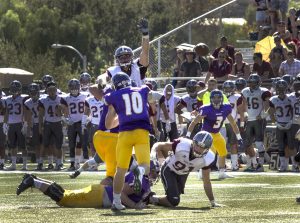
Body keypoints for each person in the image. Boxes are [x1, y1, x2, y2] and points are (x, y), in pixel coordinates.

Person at [16, 160, 160, 209]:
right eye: (154, 172)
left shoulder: (142, 179)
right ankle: (33, 182)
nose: (155, 175)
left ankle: (34, 179)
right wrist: (134, 206)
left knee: (65, 194)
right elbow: (121, 193)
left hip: (100, 193)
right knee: (64, 199)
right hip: (101, 196)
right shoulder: (141, 181)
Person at [105, 72, 154, 210]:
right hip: (142, 132)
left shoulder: (113, 96)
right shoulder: (142, 89)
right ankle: (139, 170)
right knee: (146, 166)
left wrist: (118, 114)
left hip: (125, 134)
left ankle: (116, 202)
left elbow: (108, 125)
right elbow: (152, 100)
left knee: (120, 170)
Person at [149, 131, 222, 208]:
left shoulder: (208, 158)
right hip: (169, 169)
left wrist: (212, 201)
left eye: (202, 147)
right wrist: (153, 154)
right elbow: (159, 145)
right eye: (197, 145)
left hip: (183, 174)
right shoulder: (182, 144)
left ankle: (152, 198)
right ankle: (149, 199)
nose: (198, 149)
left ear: (207, 149)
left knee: (172, 199)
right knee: (174, 200)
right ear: (193, 142)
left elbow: (206, 181)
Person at [186, 90, 243, 179]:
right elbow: (194, 122)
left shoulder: (226, 108)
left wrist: (239, 137)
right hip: (206, 134)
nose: (216, 100)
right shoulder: (206, 109)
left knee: (223, 151)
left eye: (218, 98)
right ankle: (201, 171)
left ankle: (221, 172)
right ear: (211, 99)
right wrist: (188, 135)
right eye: (214, 98)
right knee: (208, 154)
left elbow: (233, 123)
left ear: (221, 98)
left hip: (216, 133)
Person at [105, 18, 149, 87]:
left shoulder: (138, 67)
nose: (125, 59)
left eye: (127, 56)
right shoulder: (112, 71)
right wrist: (102, 80)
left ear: (132, 57)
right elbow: (103, 78)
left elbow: (145, 51)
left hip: (138, 97)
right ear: (117, 59)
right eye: (121, 57)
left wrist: (145, 34)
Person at [241, 74, 272, 171]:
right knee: (247, 143)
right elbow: (244, 105)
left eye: (254, 82)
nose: (252, 84)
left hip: (259, 120)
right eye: (251, 82)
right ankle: (251, 164)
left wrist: (263, 115)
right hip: (249, 120)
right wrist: (245, 114)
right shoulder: (245, 91)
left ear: (258, 82)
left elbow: (268, 106)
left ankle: (261, 165)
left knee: (259, 142)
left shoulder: (263, 91)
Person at [60, 79, 88, 170]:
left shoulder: (85, 95)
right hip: (71, 123)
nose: (74, 89)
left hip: (82, 123)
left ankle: (85, 163)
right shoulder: (65, 97)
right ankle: (73, 164)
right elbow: (61, 108)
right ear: (69, 88)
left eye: (76, 87)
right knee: (71, 144)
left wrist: (88, 119)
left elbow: (89, 108)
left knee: (83, 143)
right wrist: (64, 118)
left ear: (79, 87)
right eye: (72, 87)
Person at [3, 80, 29, 170]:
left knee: (23, 146)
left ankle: (25, 165)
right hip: (11, 124)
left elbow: (26, 111)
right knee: (12, 145)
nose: (14, 90)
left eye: (16, 89)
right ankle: (13, 165)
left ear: (20, 89)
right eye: (13, 89)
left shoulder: (24, 98)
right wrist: (5, 123)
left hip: (20, 124)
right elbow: (6, 112)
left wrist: (25, 123)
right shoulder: (7, 99)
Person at [268, 80, 293, 172]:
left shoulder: (291, 98)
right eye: (279, 88)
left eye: (283, 88)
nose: (281, 90)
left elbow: (294, 111)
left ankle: (294, 165)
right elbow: (271, 113)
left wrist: (291, 121)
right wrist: (276, 122)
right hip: (279, 124)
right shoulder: (273, 99)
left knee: (291, 144)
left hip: (290, 123)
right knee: (281, 145)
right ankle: (283, 165)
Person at [38, 81, 64, 170]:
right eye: (50, 90)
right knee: (45, 144)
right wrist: (40, 126)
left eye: (54, 90)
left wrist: (61, 112)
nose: (52, 92)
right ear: (47, 91)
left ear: (56, 90)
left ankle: (59, 163)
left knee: (58, 145)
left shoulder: (61, 99)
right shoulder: (43, 99)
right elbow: (40, 115)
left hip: (58, 123)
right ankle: (40, 163)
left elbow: (65, 112)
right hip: (48, 123)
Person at [222, 81, 245, 171]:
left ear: (233, 88)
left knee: (233, 144)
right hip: (221, 123)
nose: (227, 90)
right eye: (226, 88)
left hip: (232, 123)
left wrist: (242, 123)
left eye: (229, 88)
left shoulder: (237, 97)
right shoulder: (220, 96)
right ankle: (221, 164)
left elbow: (241, 111)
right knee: (221, 144)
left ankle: (234, 164)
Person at [24, 83, 44, 170]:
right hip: (35, 124)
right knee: (37, 145)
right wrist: (28, 127)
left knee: (47, 144)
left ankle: (52, 162)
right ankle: (39, 162)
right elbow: (28, 116)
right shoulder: (27, 102)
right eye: (31, 92)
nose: (33, 94)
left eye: (34, 92)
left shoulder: (43, 99)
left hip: (44, 123)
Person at [0, 89, 6, 170]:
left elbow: (4, 110)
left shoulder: (3, 99)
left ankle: (2, 162)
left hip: (1, 123)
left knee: (2, 145)